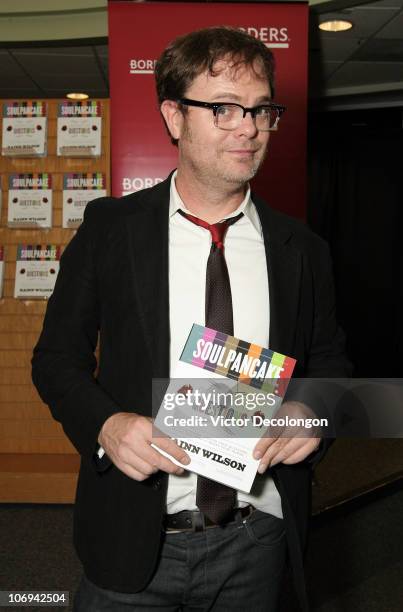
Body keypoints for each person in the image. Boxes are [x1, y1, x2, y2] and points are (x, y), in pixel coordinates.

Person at [32, 26, 351, 612]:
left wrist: (311, 410)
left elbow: (330, 362)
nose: (249, 128)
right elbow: (55, 360)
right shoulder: (110, 231)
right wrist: (106, 425)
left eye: (260, 110)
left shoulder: (302, 250)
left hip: (259, 538)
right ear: (174, 116)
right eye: (224, 107)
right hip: (132, 538)